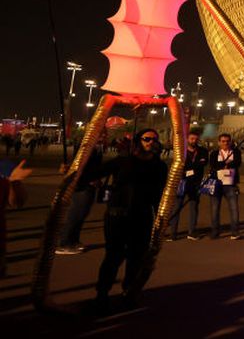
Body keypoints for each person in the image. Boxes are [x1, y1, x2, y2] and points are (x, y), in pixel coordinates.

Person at [93, 128, 169, 311]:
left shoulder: (160, 166)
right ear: (138, 141)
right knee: (113, 256)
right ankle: (102, 294)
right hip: (118, 215)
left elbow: (160, 193)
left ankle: (129, 292)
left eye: (154, 139)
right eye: (146, 139)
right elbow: (95, 173)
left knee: (137, 257)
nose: (150, 142)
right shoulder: (123, 162)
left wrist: (162, 217)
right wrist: (71, 171)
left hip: (143, 216)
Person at [56, 141, 106, 254]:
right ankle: (65, 243)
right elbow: (80, 166)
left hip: (89, 184)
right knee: (76, 214)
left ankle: (74, 240)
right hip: (82, 185)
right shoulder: (85, 147)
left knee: (82, 214)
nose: (104, 135)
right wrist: (90, 178)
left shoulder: (97, 148)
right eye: (102, 132)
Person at [167, 130, 209, 241]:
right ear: (187, 139)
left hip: (195, 183)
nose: (194, 141)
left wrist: (190, 167)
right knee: (177, 207)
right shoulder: (181, 151)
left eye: (195, 139)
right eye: (191, 139)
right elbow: (179, 164)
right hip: (182, 182)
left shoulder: (203, 151)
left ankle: (191, 232)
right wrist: (194, 166)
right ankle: (173, 233)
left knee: (193, 208)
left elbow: (203, 163)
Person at [208, 133, 243, 239]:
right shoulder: (214, 153)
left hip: (231, 185)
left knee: (234, 209)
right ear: (219, 142)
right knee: (215, 209)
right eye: (223, 141)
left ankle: (235, 232)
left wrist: (225, 164)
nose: (225, 143)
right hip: (217, 184)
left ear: (230, 142)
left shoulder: (235, 152)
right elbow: (213, 165)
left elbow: (237, 163)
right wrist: (226, 163)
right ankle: (215, 231)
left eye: (227, 141)